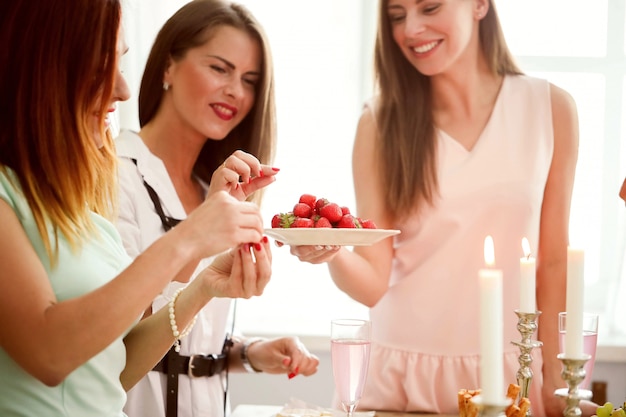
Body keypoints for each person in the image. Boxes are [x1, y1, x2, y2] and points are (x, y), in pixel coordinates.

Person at [285, 0, 595, 416]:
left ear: (480, 5)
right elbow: (374, 280)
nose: (411, 29)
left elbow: (554, 262)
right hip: (400, 379)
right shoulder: (380, 124)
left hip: (511, 374)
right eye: (397, 16)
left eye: (429, 7)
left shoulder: (551, 109)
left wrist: (558, 386)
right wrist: (332, 248)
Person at [0, 1, 275, 416]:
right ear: (44, 67)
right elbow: (49, 354)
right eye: (100, 67)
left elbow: (115, 368)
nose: (122, 90)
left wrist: (204, 288)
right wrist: (188, 239)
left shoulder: (82, 216)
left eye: (121, 66)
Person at [114, 1, 319, 417]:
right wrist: (196, 237)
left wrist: (247, 353)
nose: (236, 92)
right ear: (168, 66)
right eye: (220, 69)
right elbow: (122, 330)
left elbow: (193, 327)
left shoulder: (215, 188)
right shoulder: (116, 173)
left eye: (249, 80)